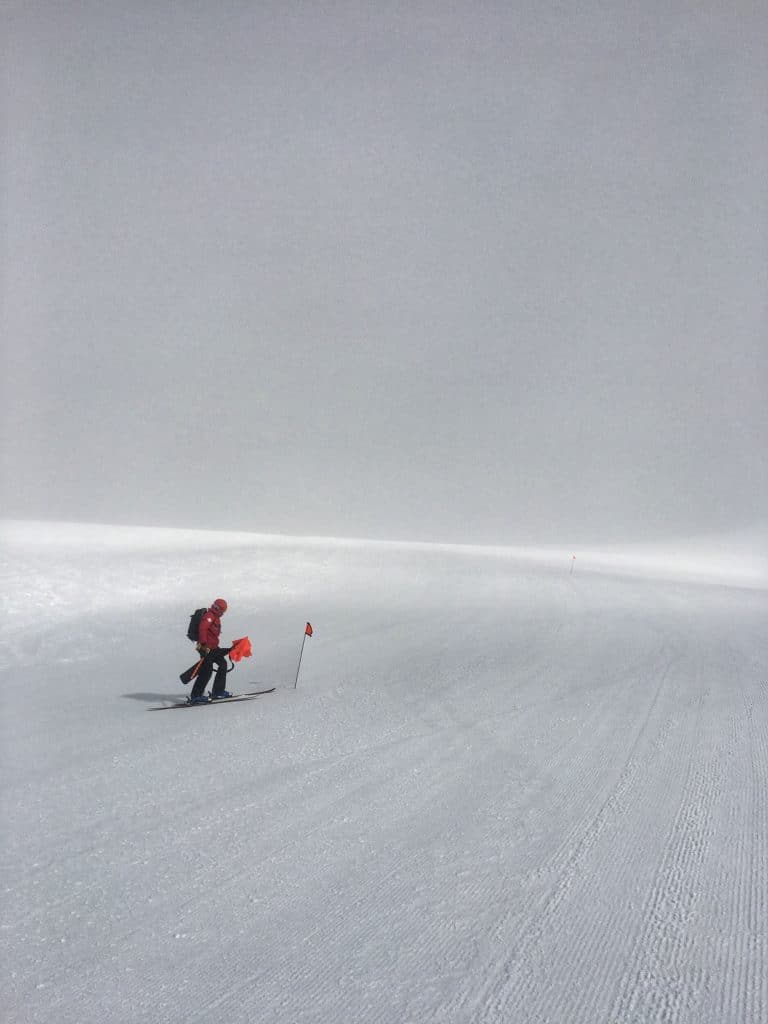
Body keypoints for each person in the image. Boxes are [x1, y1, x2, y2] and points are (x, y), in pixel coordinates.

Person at [188, 598, 234, 703]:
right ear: (219, 609)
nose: (223, 613)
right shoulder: (209, 616)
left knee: (223, 664)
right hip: (205, 648)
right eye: (223, 610)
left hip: (213, 647)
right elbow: (202, 628)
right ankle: (196, 696)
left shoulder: (215, 617)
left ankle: (218, 691)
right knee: (206, 671)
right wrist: (203, 644)